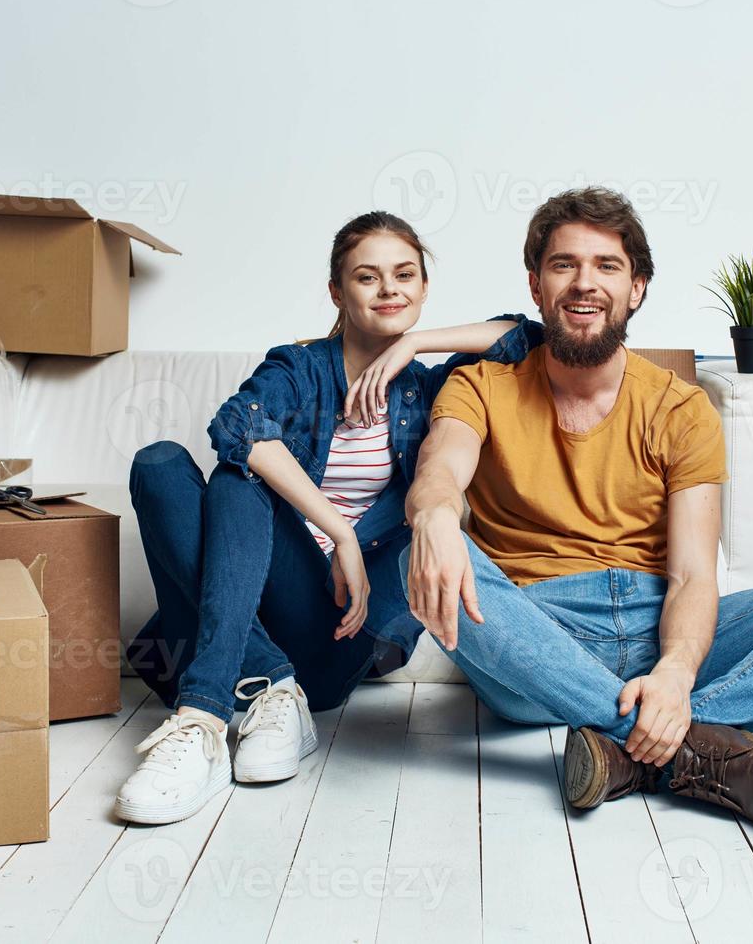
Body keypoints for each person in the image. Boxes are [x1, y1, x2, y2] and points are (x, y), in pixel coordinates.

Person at [400, 187, 753, 826]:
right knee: (422, 545)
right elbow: (441, 468)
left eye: (607, 266)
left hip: (664, 624)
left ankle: (631, 743)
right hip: (534, 635)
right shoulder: (479, 386)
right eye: (564, 264)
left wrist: (677, 673)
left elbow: (692, 575)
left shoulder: (681, 409)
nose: (585, 284)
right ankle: (694, 750)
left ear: (638, 289)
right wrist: (434, 515)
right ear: (535, 285)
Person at [115, 211, 542, 825]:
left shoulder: (427, 389)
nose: (389, 289)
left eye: (405, 275)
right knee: (174, 465)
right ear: (338, 293)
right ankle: (225, 706)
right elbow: (236, 428)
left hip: (340, 629)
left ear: (424, 290)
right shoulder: (298, 368)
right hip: (251, 609)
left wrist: (416, 344)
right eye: (367, 277)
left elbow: (526, 338)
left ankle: (234, 695)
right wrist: (338, 531)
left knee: (245, 473)